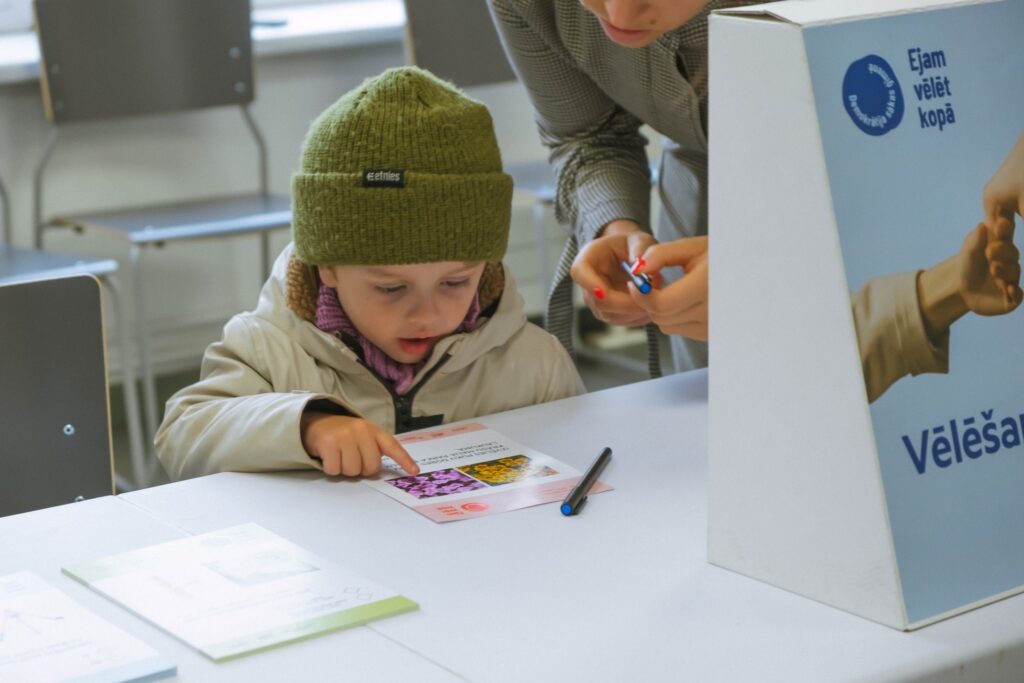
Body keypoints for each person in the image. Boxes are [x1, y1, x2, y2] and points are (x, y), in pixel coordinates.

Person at [155, 67, 585, 481]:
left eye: (455, 282)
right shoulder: (267, 349)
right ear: (327, 267)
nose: (427, 315)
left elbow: (583, 458)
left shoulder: (534, 362)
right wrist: (305, 426)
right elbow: (182, 436)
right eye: (391, 288)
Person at [488, 0, 765, 372]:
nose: (618, 15)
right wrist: (616, 227)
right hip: (699, 194)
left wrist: (775, 268)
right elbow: (590, 135)